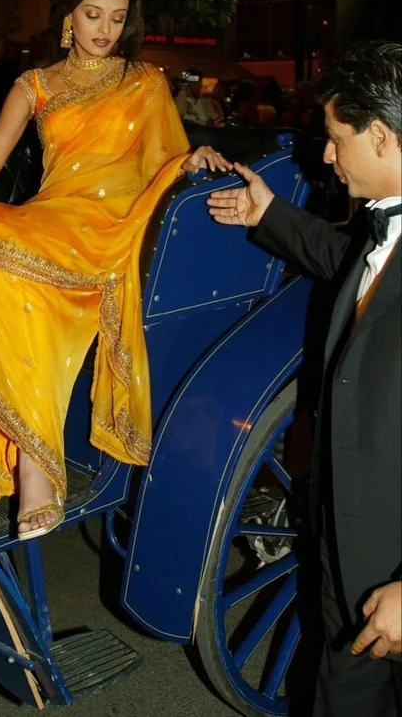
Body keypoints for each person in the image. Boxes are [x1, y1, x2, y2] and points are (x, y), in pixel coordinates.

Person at [0, 0, 231, 535]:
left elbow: (166, 156)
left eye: (117, 17)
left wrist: (192, 158)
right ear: (69, 17)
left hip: (116, 222)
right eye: (93, 14)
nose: (105, 28)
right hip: (54, 217)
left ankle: (37, 467)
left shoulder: (147, 82)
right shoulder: (35, 85)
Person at [207, 39, 402, 717]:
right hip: (348, 549)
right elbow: (349, 260)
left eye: (335, 138)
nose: (327, 155)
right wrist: (268, 215)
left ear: (381, 137)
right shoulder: (381, 233)